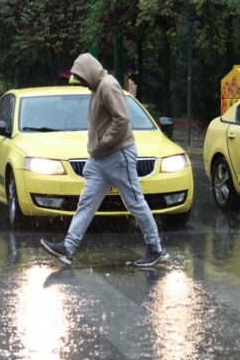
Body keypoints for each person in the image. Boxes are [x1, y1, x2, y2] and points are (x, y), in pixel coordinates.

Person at [40, 52, 167, 268]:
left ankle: (155, 248)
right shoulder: (98, 87)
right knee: (87, 203)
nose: (81, 83)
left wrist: (103, 144)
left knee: (135, 202)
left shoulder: (107, 86)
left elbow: (122, 119)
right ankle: (68, 248)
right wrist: (98, 150)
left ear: (88, 72)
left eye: (81, 77)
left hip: (117, 155)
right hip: (101, 158)